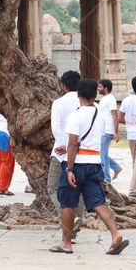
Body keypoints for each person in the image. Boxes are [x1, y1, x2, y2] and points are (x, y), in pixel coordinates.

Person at [50, 78, 129, 255]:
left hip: (76, 165)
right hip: (94, 164)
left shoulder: (76, 115)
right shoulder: (101, 114)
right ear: (95, 95)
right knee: (99, 202)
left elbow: (72, 144)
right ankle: (115, 234)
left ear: (78, 94)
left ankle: (67, 243)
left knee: (67, 203)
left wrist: (69, 168)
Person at [47, 71, 85, 230]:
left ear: (64, 86)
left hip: (60, 152)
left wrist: (65, 146)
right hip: (81, 152)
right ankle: (77, 219)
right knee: (78, 188)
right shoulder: (87, 103)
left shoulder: (58, 103)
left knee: (53, 187)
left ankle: (67, 218)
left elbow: (56, 128)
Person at [97, 79, 122, 183]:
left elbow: (115, 116)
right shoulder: (104, 99)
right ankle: (116, 168)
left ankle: (106, 178)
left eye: (100, 87)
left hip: (108, 130)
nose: (98, 88)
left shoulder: (111, 98)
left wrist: (116, 132)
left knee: (103, 155)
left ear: (106, 88)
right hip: (103, 130)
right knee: (102, 153)